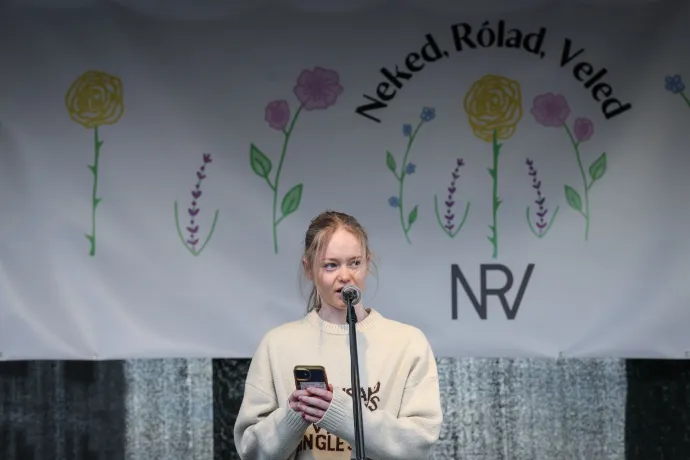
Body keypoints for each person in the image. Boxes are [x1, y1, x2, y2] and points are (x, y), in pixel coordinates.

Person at [233, 210, 443, 459]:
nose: (345, 276)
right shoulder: (276, 345)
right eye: (331, 265)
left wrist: (340, 414)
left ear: (367, 263)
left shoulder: (408, 343)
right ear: (309, 269)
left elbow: (419, 445)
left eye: (354, 263)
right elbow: (251, 451)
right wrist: (293, 416)